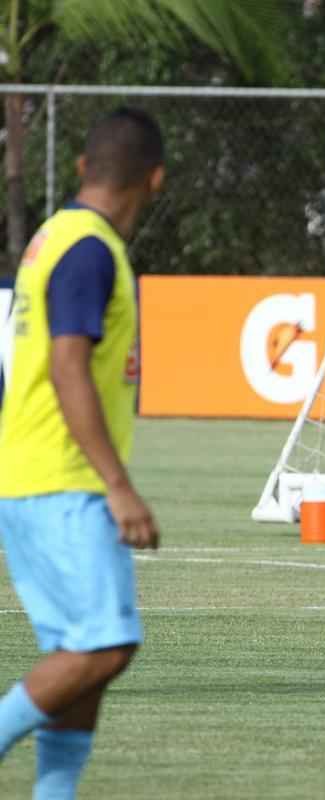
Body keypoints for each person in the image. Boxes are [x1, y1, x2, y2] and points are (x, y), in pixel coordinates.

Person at [0, 107, 163, 796]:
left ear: (80, 169)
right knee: (106, 644)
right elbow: (69, 366)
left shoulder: (52, 236)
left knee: (80, 658)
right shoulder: (90, 248)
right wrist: (118, 485)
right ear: (154, 181)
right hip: (62, 482)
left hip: (32, 477)